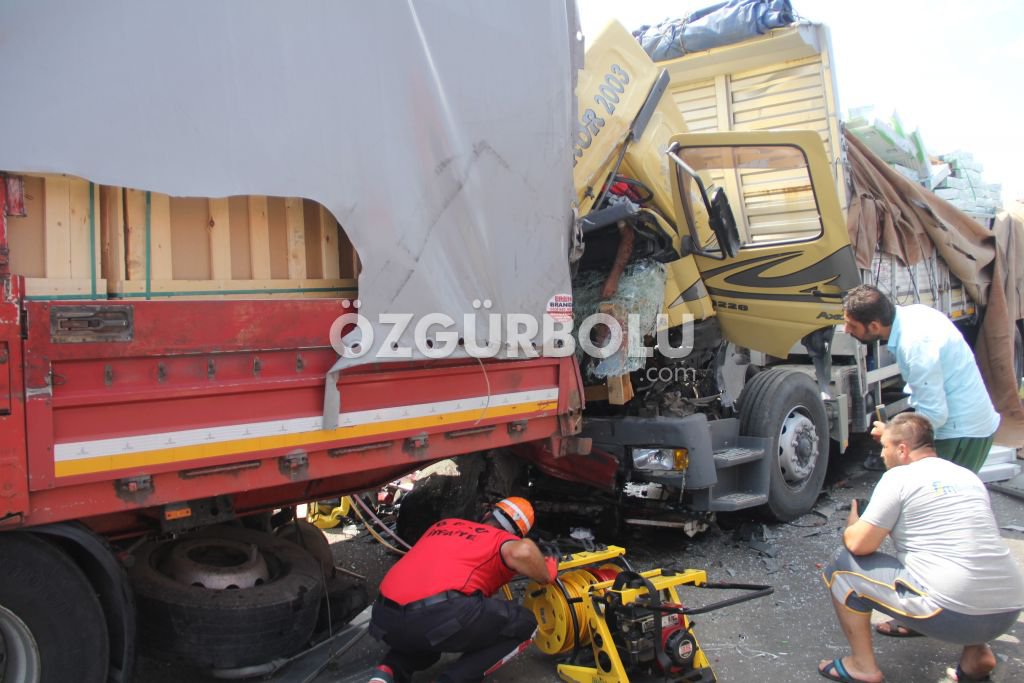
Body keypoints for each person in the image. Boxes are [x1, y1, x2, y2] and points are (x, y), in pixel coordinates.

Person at [818, 413, 1024, 683]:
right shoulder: (966, 477)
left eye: (885, 448)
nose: (882, 455)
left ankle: (862, 666)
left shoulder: (899, 477)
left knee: (842, 568)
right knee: (957, 559)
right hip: (1007, 611)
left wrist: (852, 524)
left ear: (902, 449)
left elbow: (859, 545)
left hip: (952, 613)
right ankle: (977, 653)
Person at [367, 497, 557, 683]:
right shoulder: (503, 540)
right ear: (517, 534)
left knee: (430, 643)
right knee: (524, 623)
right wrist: (545, 574)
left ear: (488, 513)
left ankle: (388, 671)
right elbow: (522, 552)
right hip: (437, 614)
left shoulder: (444, 524)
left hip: (383, 615)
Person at [842, 284, 1000, 473]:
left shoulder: (915, 344)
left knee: (940, 501)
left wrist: (891, 435)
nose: (846, 330)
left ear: (874, 326)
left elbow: (934, 415)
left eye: (852, 325)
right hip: (965, 426)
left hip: (960, 433)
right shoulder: (914, 315)